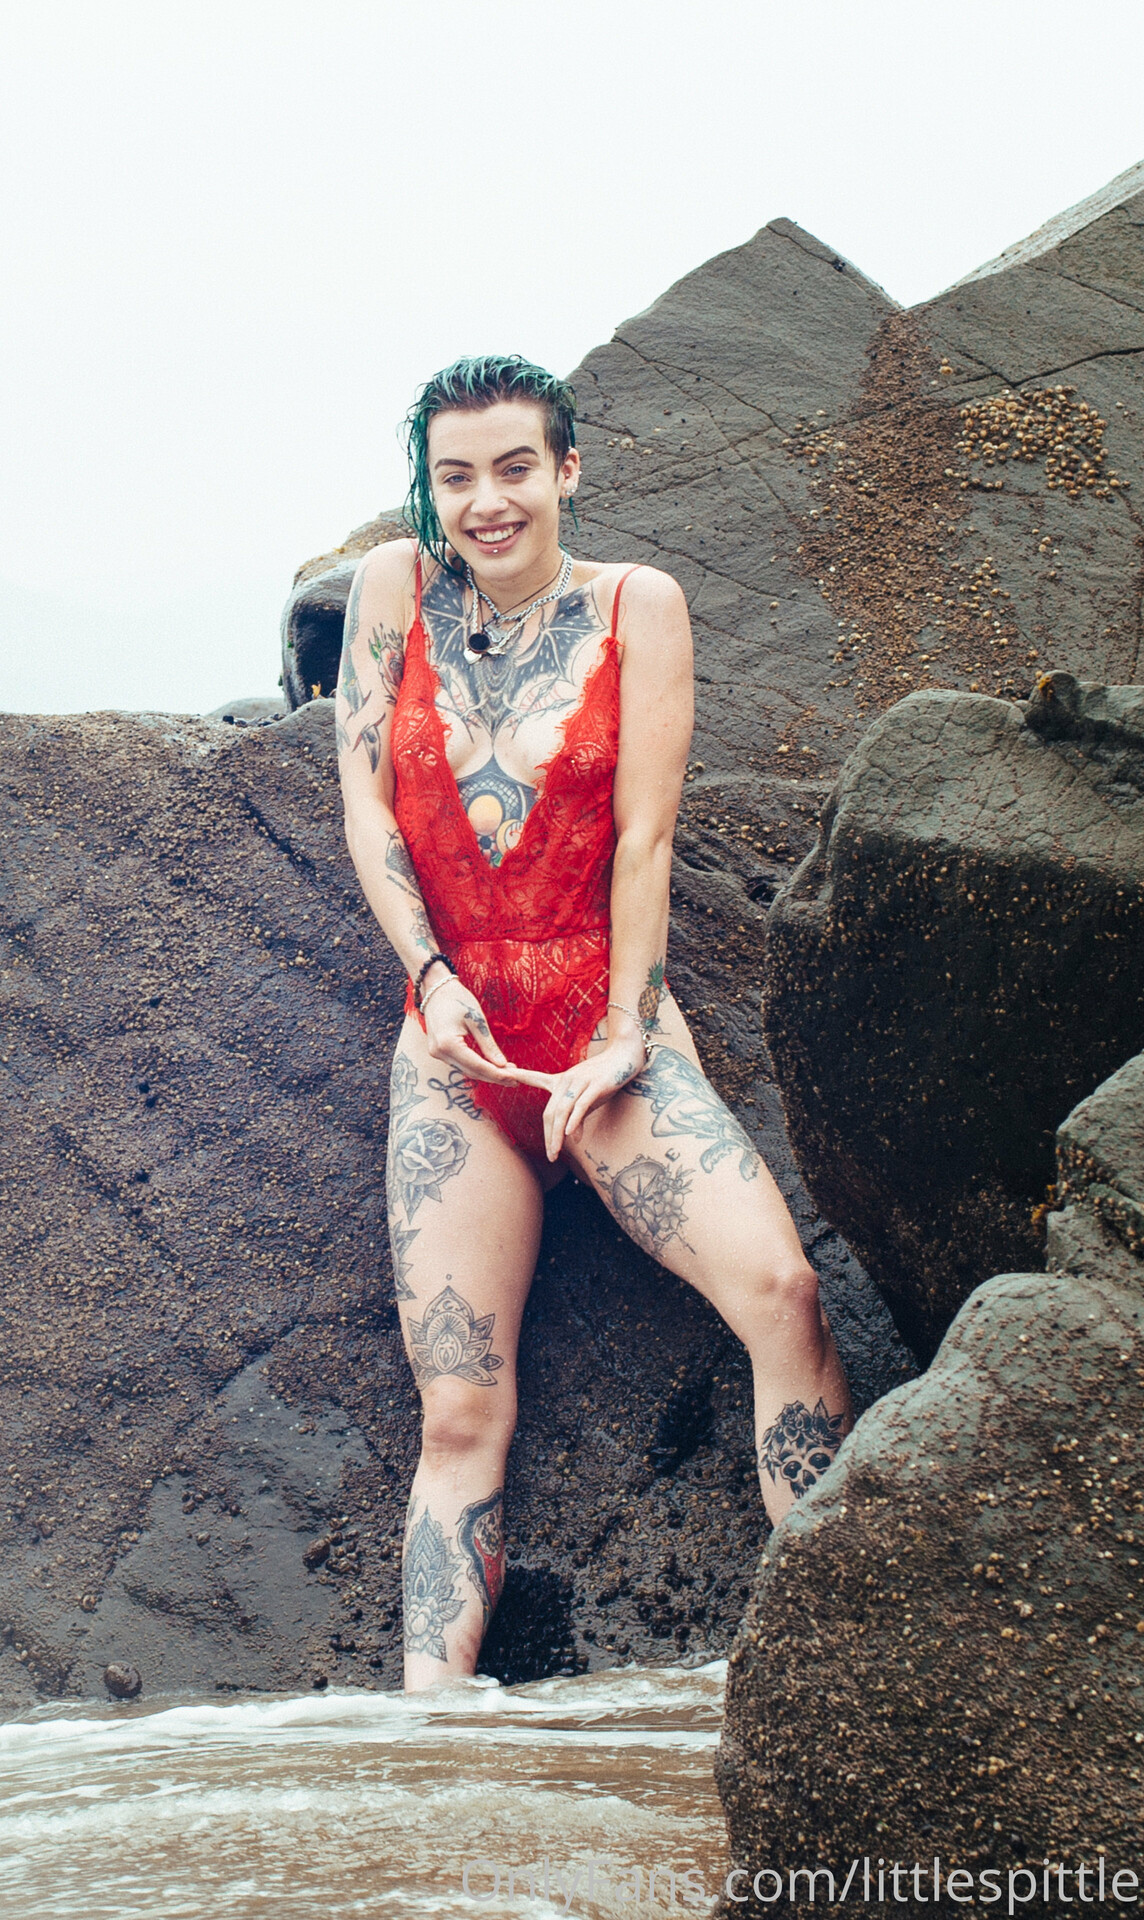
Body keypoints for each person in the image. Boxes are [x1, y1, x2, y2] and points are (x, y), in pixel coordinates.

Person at [333, 355, 853, 1689]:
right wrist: (429, 976)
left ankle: (835, 1667)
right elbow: (367, 801)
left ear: (566, 469)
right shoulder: (392, 589)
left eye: (516, 468)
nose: (487, 502)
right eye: (457, 476)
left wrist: (627, 1032)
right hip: (458, 1055)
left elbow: (644, 838)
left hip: (601, 1026)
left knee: (785, 1294)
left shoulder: (638, 605)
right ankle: (427, 1736)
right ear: (429, 487)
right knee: (461, 1413)